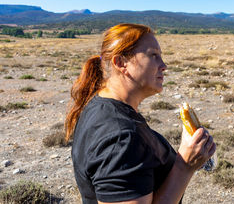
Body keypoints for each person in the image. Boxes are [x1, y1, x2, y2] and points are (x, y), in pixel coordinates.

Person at [64, 23, 216, 204]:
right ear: (121, 63)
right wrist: (184, 166)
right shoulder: (120, 137)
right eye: (153, 55)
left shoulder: (101, 106)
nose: (164, 65)